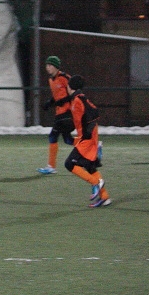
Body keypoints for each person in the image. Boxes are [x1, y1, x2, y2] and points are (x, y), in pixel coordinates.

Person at [63, 75, 111, 207]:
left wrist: (88, 131)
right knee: (90, 166)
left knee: (69, 164)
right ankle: (105, 197)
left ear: (70, 86)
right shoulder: (75, 99)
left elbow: (94, 112)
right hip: (85, 137)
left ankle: (95, 182)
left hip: (87, 138)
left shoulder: (79, 99)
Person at [37, 55, 73, 175]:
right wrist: (50, 102)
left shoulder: (64, 77)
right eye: (47, 65)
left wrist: (65, 101)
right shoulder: (51, 80)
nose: (48, 67)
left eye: (50, 65)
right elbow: (57, 95)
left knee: (53, 136)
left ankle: (51, 166)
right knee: (68, 140)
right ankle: (93, 144)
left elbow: (75, 91)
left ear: (56, 67)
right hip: (59, 113)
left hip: (67, 113)